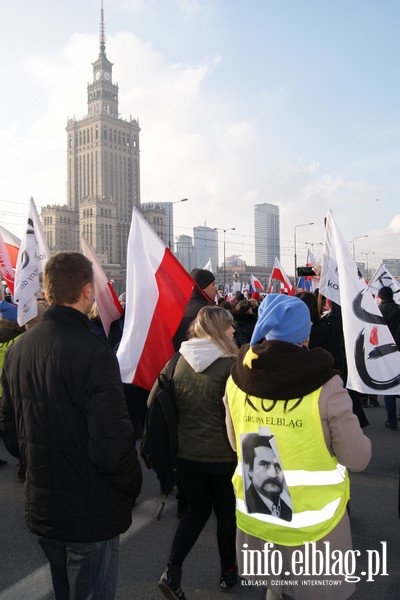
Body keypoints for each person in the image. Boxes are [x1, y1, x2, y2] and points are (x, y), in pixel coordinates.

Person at [0, 252, 142, 600]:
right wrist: (131, 485)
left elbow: (11, 433)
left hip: (44, 508)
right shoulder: (94, 352)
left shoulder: (18, 349)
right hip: (89, 514)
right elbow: (112, 445)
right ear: (86, 291)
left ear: (46, 292)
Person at [224, 294, 371, 600]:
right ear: (305, 335)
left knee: (275, 590)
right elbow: (357, 458)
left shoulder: (237, 378)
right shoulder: (326, 385)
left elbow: (233, 441)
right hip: (314, 529)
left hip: (261, 515)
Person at [153, 306, 239, 599]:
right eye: (229, 327)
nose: (234, 331)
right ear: (218, 329)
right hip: (225, 456)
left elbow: (156, 400)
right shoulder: (231, 364)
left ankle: (172, 570)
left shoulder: (178, 359)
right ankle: (228, 572)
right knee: (227, 516)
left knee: (195, 512)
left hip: (187, 455)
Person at [242, 434, 292, 521]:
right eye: (264, 465)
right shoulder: (245, 504)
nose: (273, 474)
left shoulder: (289, 510)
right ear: (250, 471)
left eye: (278, 467)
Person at [172, 268, 217, 351]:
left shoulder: (179, 307)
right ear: (203, 286)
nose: (216, 289)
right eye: (213, 284)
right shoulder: (207, 310)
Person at [377, 286, 400, 429]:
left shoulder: (378, 312)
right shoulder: (398, 309)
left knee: (389, 387)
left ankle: (391, 420)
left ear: (380, 297)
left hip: (386, 352)